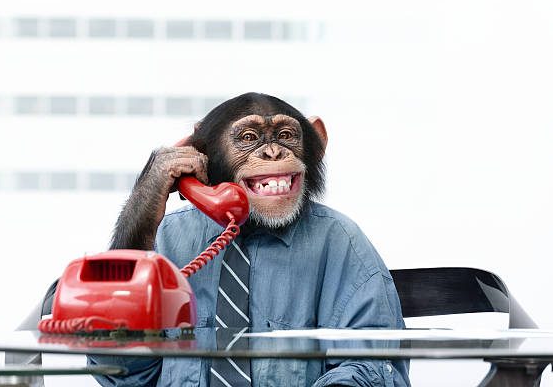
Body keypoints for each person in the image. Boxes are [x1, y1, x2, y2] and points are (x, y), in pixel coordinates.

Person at [89, 93, 410, 386]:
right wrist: (141, 212)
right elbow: (121, 374)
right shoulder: (169, 238)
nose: (273, 152)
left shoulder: (339, 241)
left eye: (286, 136)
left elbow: (371, 367)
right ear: (200, 154)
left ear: (317, 144)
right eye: (248, 138)